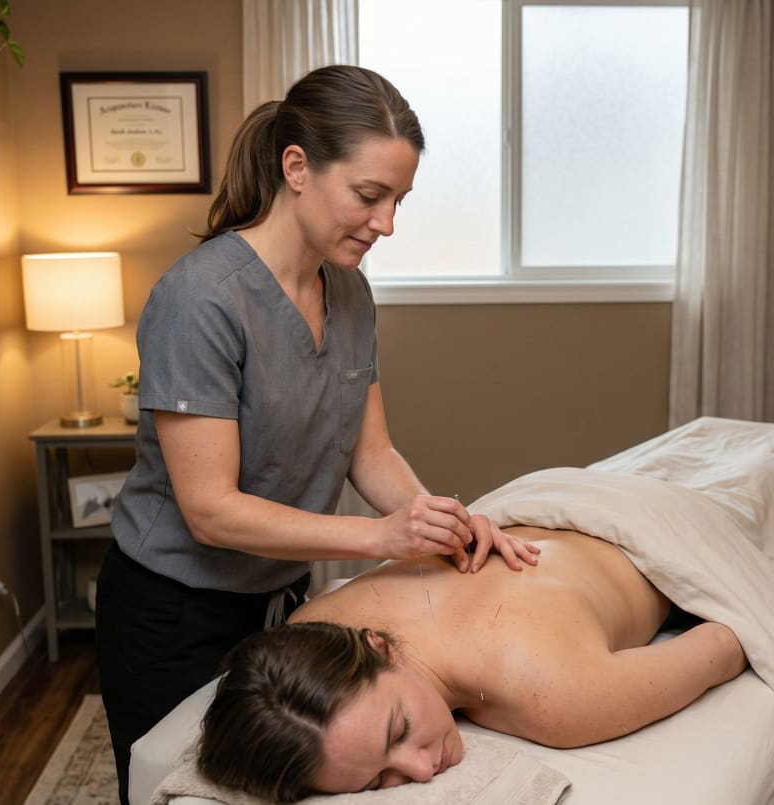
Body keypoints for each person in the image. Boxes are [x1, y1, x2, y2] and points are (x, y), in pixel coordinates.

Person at [96, 64, 539, 805]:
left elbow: (372, 453)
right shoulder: (200, 299)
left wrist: (439, 522)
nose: (386, 222)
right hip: (174, 613)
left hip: (285, 602)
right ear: (295, 167)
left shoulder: (351, 292)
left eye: (398, 200)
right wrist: (381, 539)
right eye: (370, 196)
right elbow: (211, 509)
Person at [196, 524, 748, 802]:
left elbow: (727, 642)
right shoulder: (308, 632)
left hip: (640, 526)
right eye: (375, 783)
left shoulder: (553, 695)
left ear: (379, 648)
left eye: (400, 730)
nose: (417, 771)